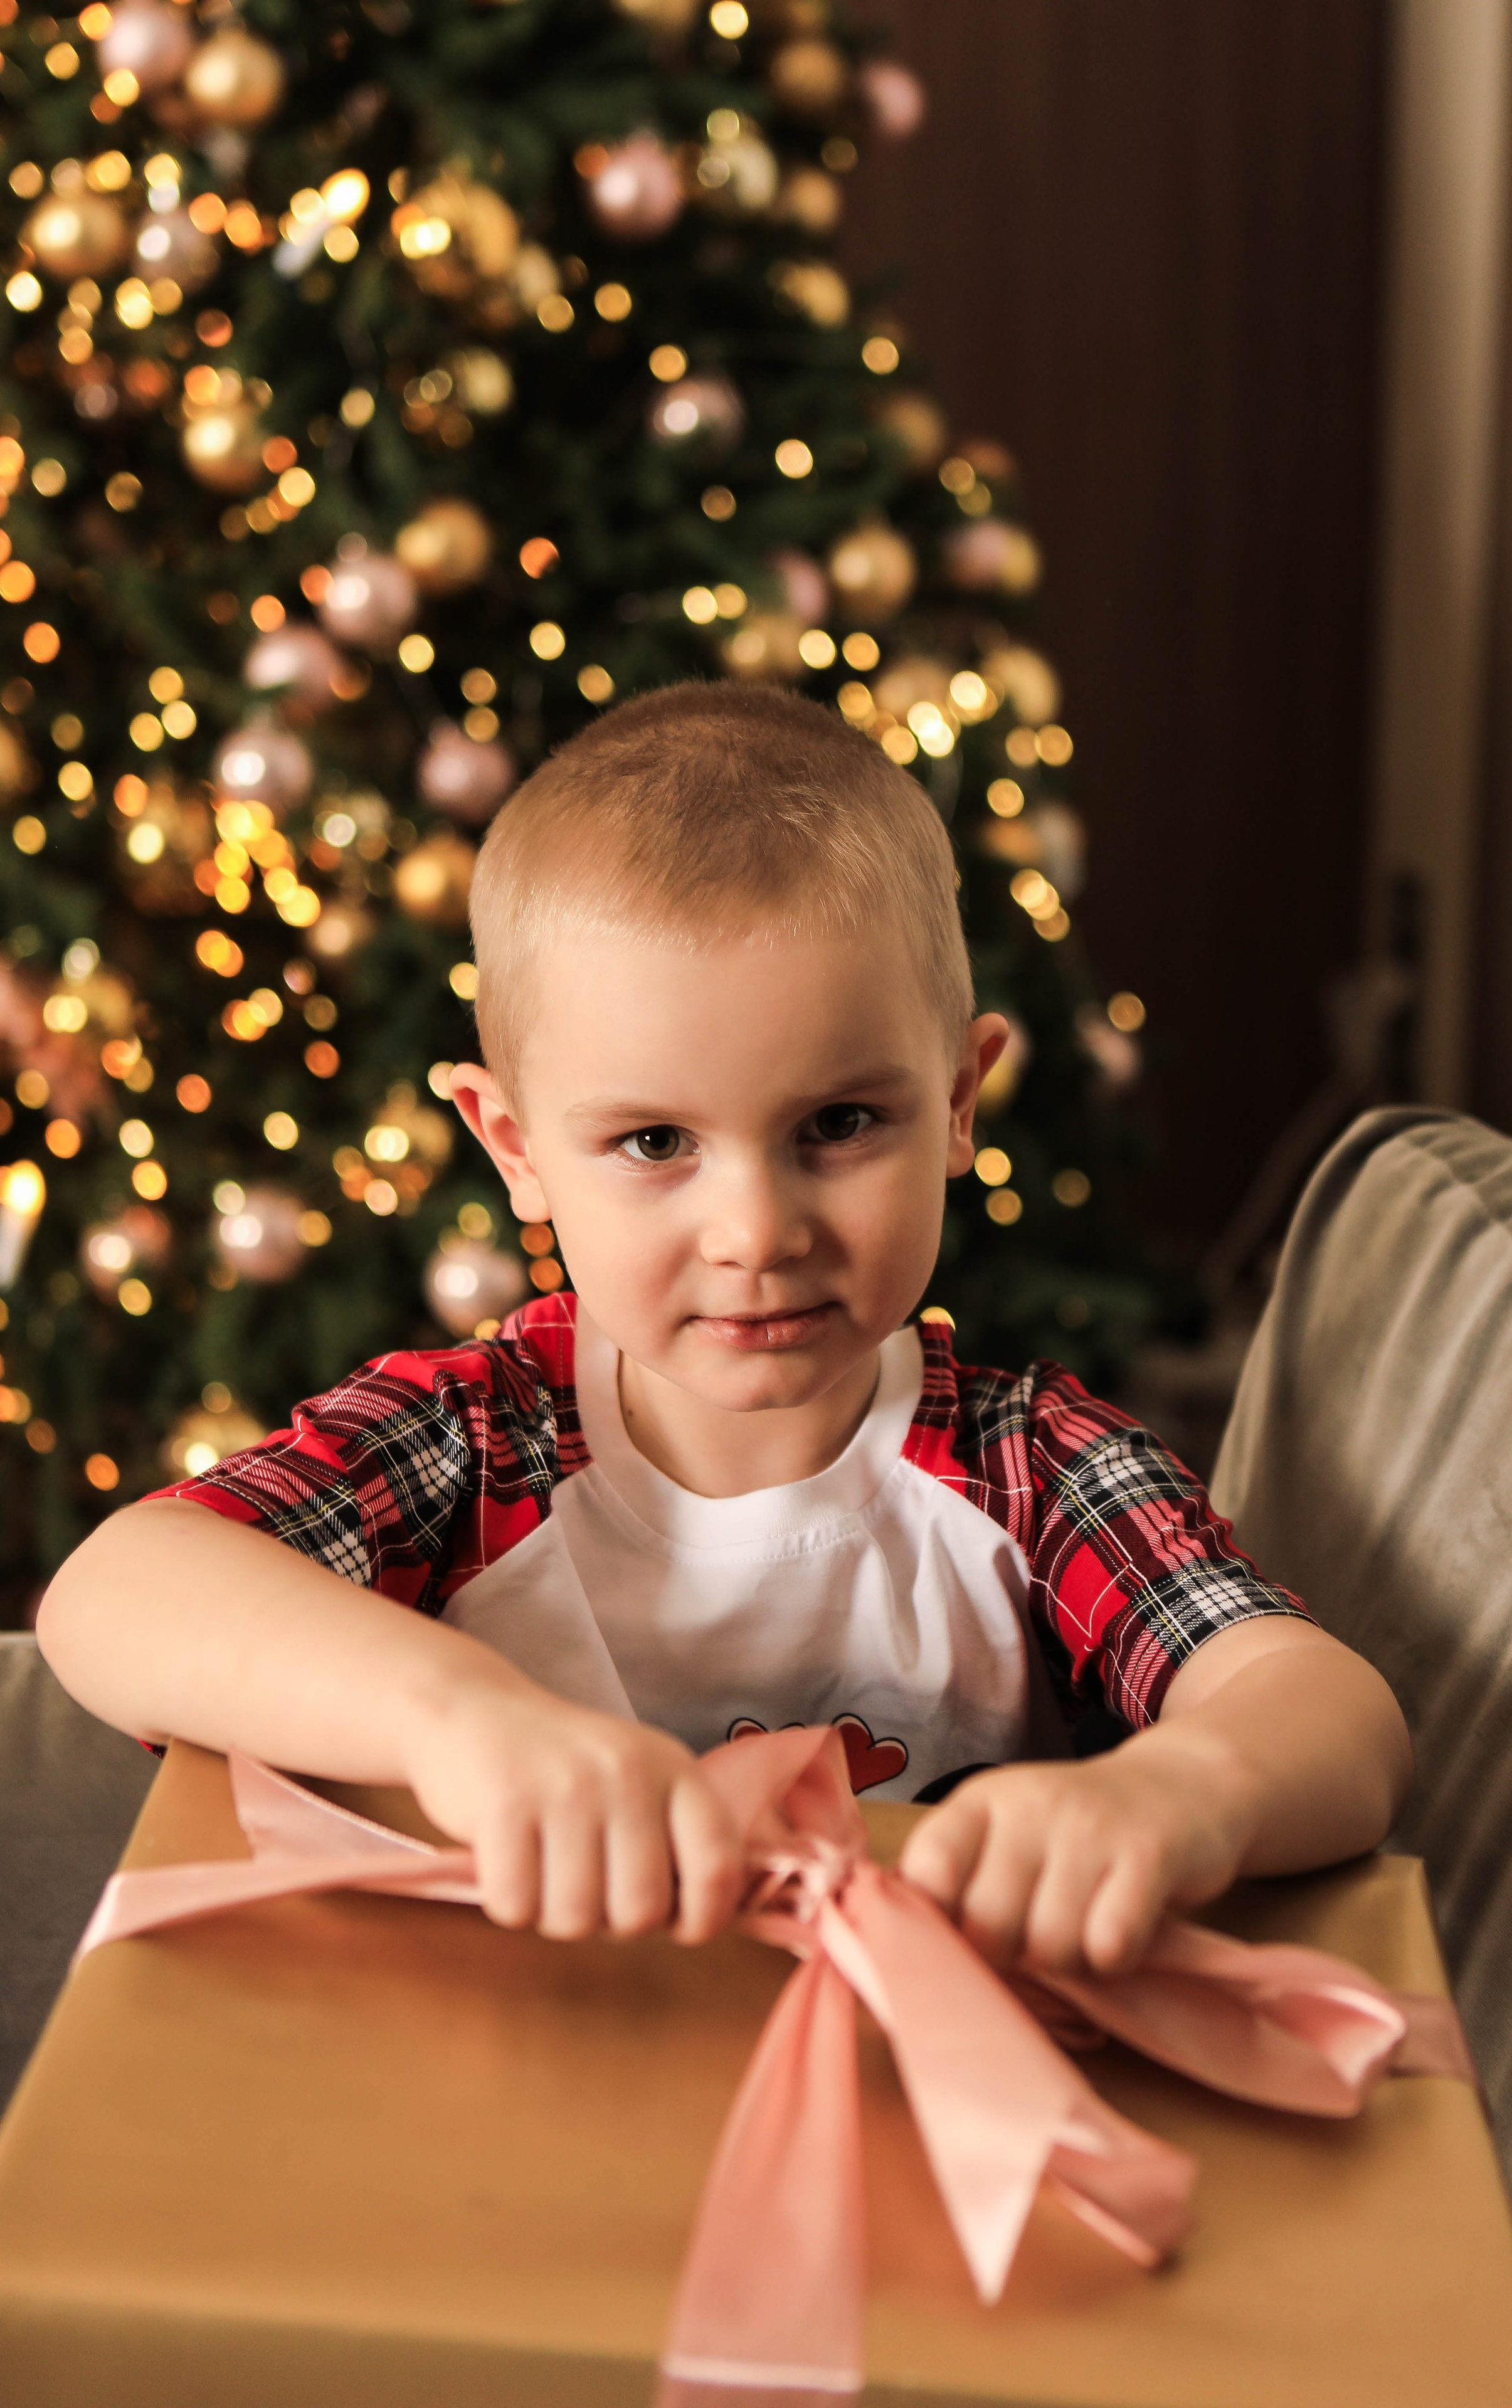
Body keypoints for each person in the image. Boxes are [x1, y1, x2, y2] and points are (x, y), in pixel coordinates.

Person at [37, 682, 1410, 1975]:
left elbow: (1323, 1708)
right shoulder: (476, 1442)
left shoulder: (1030, 1471)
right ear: (514, 1149)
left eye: (839, 1124)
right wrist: (455, 1717)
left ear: (957, 1104)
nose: (756, 1233)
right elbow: (113, 1594)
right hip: (503, 2077)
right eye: (654, 1141)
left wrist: (1179, 1792)